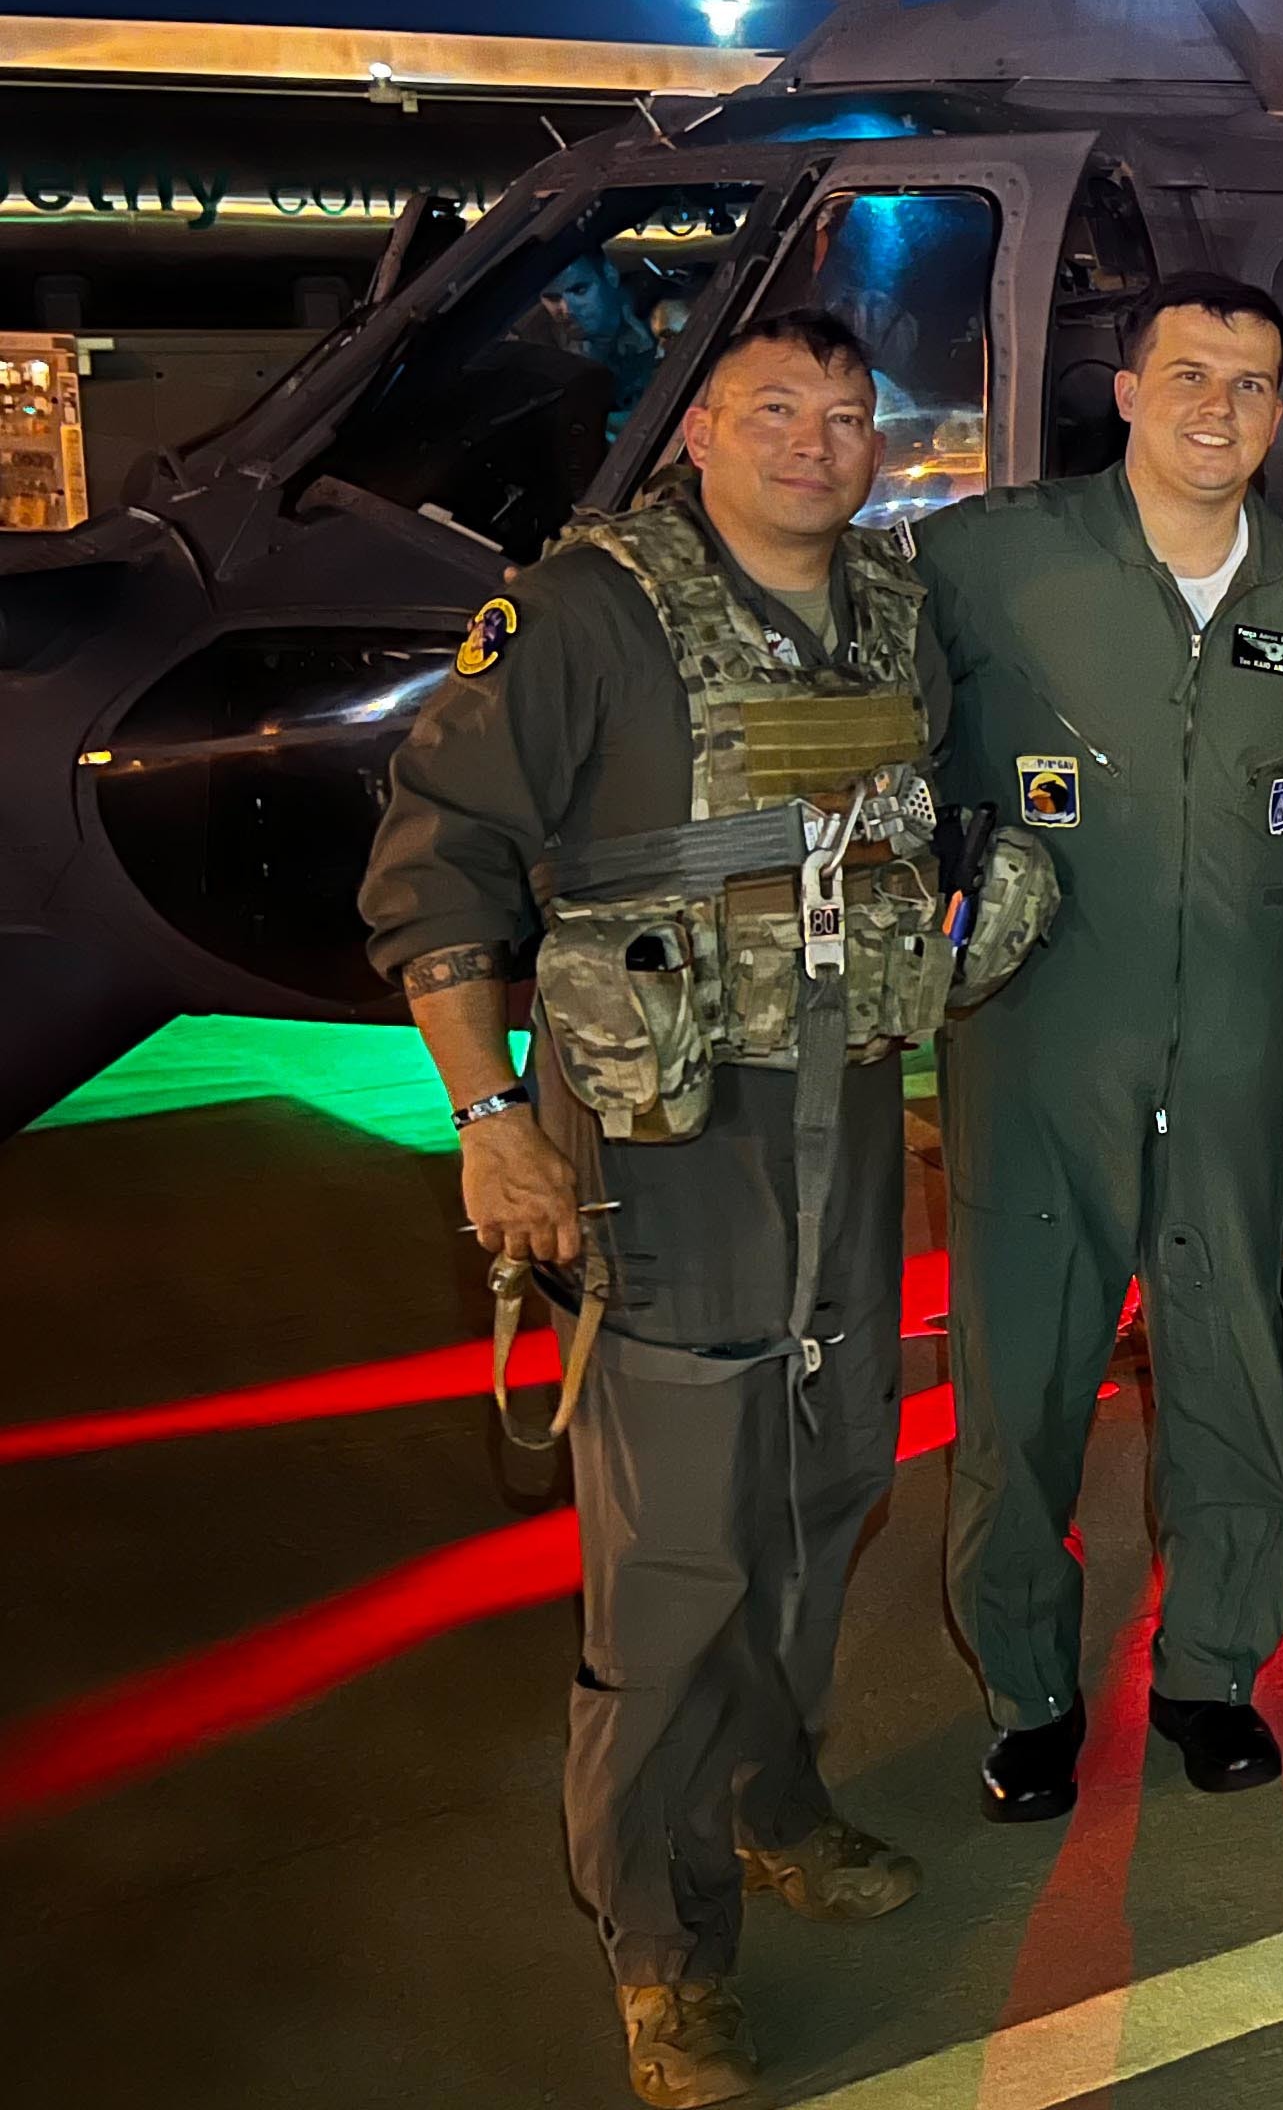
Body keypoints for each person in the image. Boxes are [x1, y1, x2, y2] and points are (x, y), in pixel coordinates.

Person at [361, 311, 952, 2109]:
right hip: (659, 1139)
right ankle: (664, 1950)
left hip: (846, 1120)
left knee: (829, 1482)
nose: (813, 443)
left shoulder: (895, 611)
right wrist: (488, 1120)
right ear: (699, 429)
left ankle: (773, 1800)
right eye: (774, 409)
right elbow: (437, 861)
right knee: (682, 1551)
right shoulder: (584, 613)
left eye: (844, 416)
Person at [915, 272, 1283, 1820]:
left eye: (1251, 385)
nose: (1218, 410)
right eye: (1188, 374)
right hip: (1039, 1050)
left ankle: (1213, 1672)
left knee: (1233, 1371)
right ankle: (1029, 1693)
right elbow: (872, 739)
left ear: (1280, 414)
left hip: (1237, 1061)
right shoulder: (987, 563)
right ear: (1125, 393)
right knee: (1022, 1388)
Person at [539, 251, 668, 436]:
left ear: (610, 274)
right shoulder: (546, 354)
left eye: (579, 290)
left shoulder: (667, 317)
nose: (566, 310)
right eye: (553, 298)